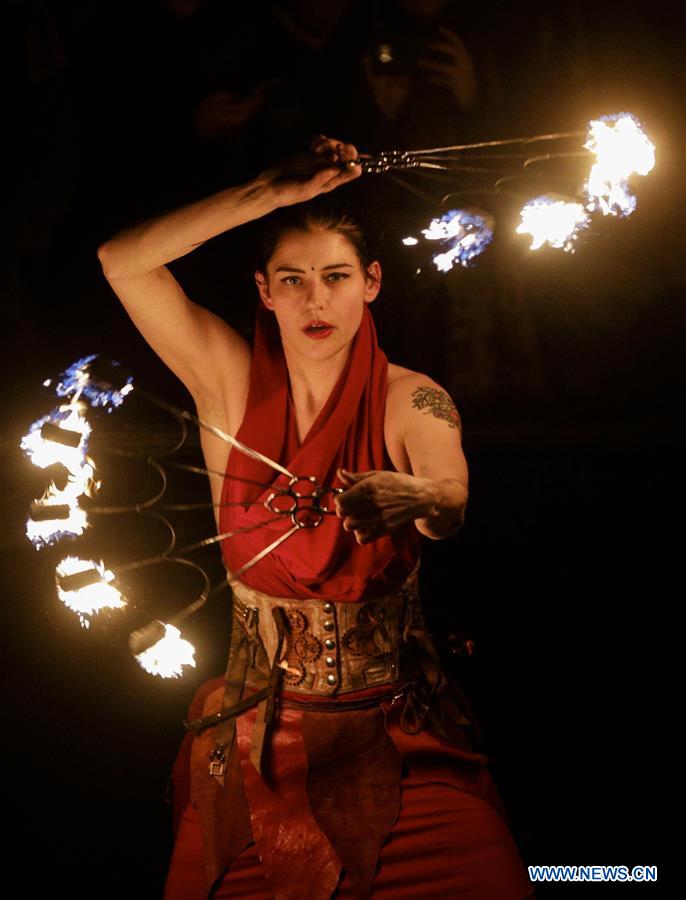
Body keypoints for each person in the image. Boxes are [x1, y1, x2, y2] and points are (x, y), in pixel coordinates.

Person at [98, 136, 535, 899]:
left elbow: (450, 497)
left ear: (371, 283)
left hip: (399, 735)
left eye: (335, 277)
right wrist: (267, 193)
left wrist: (421, 498)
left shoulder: (409, 396)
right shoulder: (228, 384)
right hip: (256, 741)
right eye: (292, 281)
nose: (315, 300)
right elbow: (122, 261)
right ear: (264, 291)